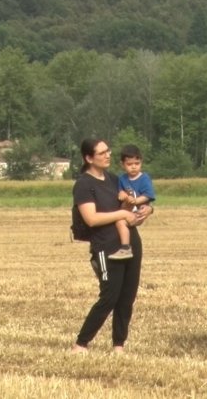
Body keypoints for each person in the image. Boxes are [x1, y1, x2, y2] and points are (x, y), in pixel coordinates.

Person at [72, 138, 153, 354]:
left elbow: (129, 206)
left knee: (127, 297)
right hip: (105, 246)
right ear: (89, 158)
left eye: (108, 151)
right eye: (102, 153)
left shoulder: (114, 179)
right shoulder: (84, 185)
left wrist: (145, 211)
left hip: (130, 242)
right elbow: (91, 219)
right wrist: (122, 213)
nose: (108, 155)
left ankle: (119, 345)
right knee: (110, 296)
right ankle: (81, 343)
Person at [107, 145, 156, 260]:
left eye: (137, 163)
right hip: (128, 209)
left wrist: (136, 201)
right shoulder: (122, 179)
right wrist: (122, 195)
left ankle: (125, 247)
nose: (134, 167)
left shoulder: (144, 178)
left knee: (120, 222)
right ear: (122, 164)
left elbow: (148, 195)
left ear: (141, 162)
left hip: (139, 211)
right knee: (119, 221)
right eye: (129, 164)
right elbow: (120, 192)